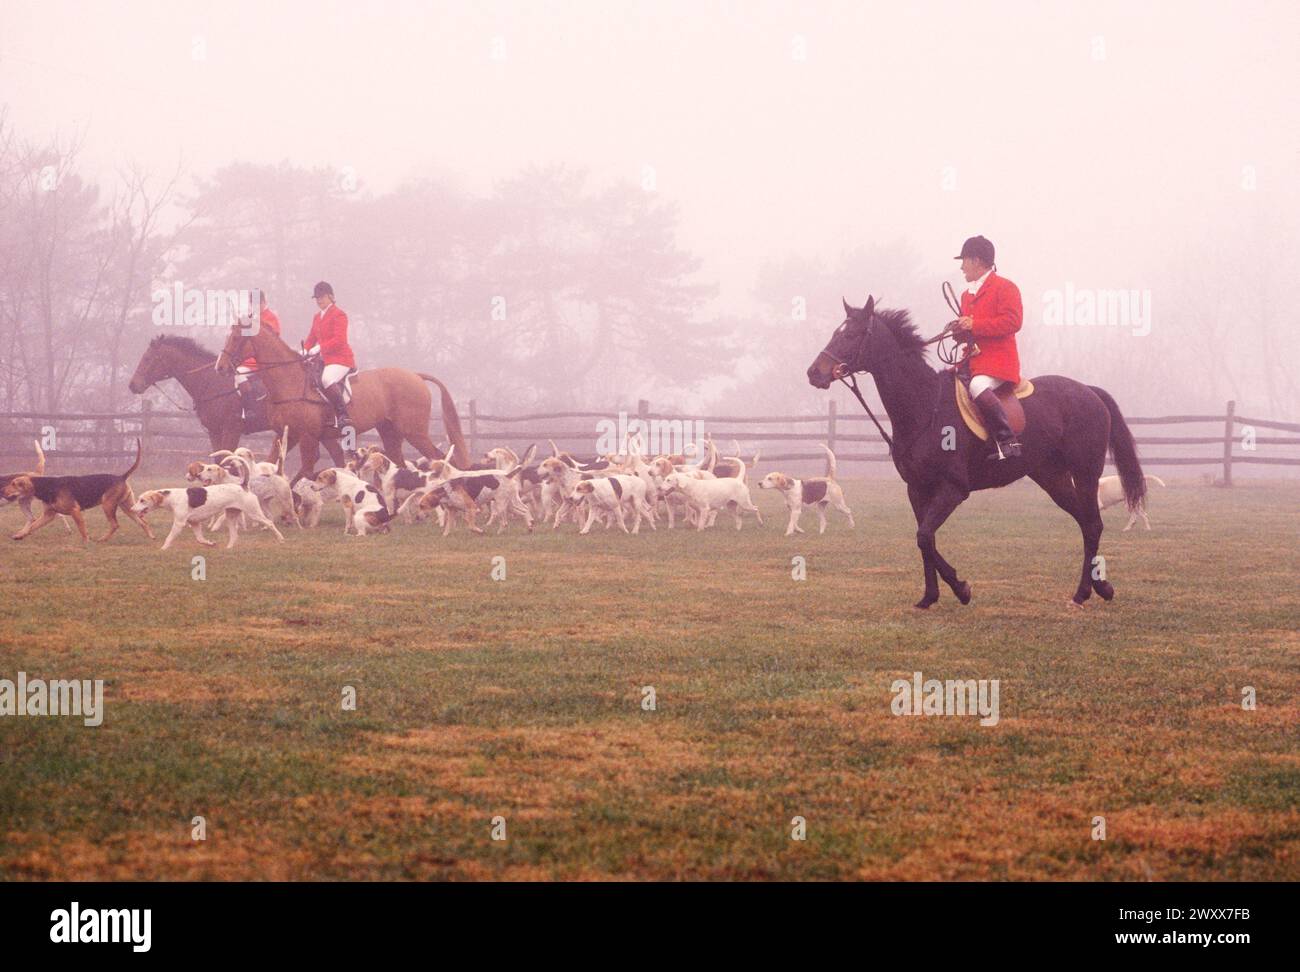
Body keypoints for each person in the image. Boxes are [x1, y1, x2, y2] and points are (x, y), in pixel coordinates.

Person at [954, 235, 1023, 459]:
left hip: (998, 363)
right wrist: (960, 331)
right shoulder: (966, 295)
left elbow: (1013, 322)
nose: (962, 267)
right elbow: (971, 333)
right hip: (972, 361)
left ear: (976, 261)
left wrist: (975, 324)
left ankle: (1007, 441)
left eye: (964, 261)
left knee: (977, 386)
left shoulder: (1005, 287)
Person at [302, 281, 356, 430]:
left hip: (341, 359)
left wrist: (319, 348)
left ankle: (343, 415)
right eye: (317, 298)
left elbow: (339, 340)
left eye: (322, 297)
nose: (319, 301)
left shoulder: (339, 314)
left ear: (331, 297)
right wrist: (304, 350)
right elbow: (311, 338)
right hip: (324, 359)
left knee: (327, 379)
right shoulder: (317, 317)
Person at [235, 290, 281, 425]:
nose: (254, 307)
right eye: (252, 304)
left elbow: (271, 342)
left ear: (263, 302)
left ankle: (250, 409)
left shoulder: (271, 318)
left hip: (262, 361)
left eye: (257, 304)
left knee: (239, 374)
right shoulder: (251, 318)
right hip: (248, 360)